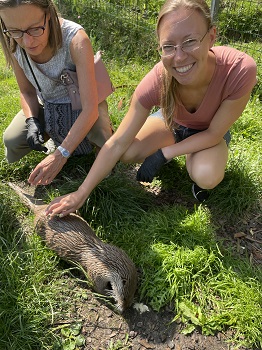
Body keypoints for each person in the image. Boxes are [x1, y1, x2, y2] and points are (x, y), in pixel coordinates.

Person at [46, 0, 257, 217]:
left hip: (211, 131)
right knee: (127, 152)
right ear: (160, 48)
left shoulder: (239, 69)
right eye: (168, 46)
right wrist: (80, 193)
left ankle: (193, 156)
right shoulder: (156, 80)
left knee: (207, 175)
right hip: (173, 123)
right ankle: (183, 146)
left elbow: (213, 133)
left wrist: (163, 155)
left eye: (190, 41)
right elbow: (117, 142)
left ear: (211, 36)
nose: (179, 56)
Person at [0, 0, 113, 186]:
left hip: (83, 102)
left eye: (35, 29)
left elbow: (90, 108)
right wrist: (32, 121)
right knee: (12, 141)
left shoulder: (76, 39)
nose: (26, 41)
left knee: (106, 156)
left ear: (49, 15)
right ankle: (56, 134)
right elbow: (27, 92)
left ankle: (94, 140)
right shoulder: (13, 40)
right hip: (49, 104)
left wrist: (60, 155)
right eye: (15, 31)